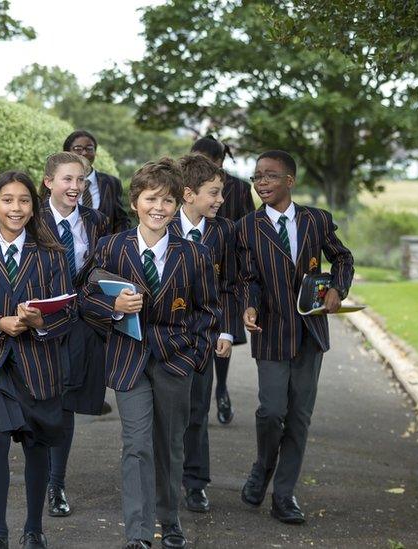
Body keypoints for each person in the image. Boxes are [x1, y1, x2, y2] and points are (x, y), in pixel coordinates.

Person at [82, 158, 218, 549]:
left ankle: (169, 518)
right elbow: (86, 298)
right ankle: (139, 533)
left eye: (168, 201)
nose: (159, 208)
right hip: (129, 361)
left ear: (178, 206)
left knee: (171, 445)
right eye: (151, 199)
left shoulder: (195, 254)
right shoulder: (110, 248)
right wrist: (113, 309)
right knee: (137, 444)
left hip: (176, 362)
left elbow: (209, 311)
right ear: (135, 202)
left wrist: (195, 357)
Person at [0, 171, 75, 549]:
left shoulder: (52, 256)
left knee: (36, 446)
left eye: (24, 200)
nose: (16, 208)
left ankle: (34, 529)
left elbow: (68, 314)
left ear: (33, 207)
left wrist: (41, 322)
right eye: (7, 200)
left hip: (39, 367)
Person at [235, 150, 354, 524]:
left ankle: (284, 495)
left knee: (299, 417)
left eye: (270, 176)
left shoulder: (316, 220)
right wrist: (249, 306)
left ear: (290, 181)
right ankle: (262, 466)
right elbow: (248, 278)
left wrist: (338, 289)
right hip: (270, 331)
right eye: (257, 177)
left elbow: (344, 258)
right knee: (271, 412)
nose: (262, 183)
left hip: (310, 333)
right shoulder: (247, 227)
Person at [38, 152, 111, 518]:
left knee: (64, 405)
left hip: (79, 324)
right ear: (49, 181)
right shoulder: (31, 220)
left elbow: (102, 269)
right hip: (40, 324)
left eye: (80, 180)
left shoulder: (96, 221)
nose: (75, 187)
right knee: (38, 405)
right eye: (67, 179)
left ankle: (56, 483)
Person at [168, 154, 238, 514]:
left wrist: (226, 330)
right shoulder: (163, 226)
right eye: (214, 193)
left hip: (203, 337)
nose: (220, 200)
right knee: (167, 414)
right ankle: (163, 479)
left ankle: (195, 482)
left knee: (197, 411)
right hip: (165, 336)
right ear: (188, 194)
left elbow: (230, 284)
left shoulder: (223, 231)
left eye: (221, 193)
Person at [190, 134, 255, 425]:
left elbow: (247, 225)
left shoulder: (238, 188)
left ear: (219, 162)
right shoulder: (185, 184)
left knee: (221, 335)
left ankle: (222, 388)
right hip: (193, 265)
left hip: (225, 263)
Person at [63, 129, 131, 233]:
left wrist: (118, 244)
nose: (84, 152)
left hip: (105, 247)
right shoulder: (58, 182)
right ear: (67, 152)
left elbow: (120, 220)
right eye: (78, 148)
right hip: (68, 246)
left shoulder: (111, 183)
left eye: (89, 148)